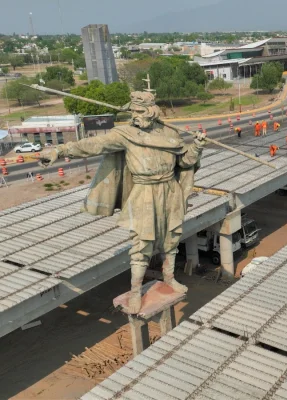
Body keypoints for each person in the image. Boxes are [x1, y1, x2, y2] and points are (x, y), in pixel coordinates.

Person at [39, 91, 204, 314]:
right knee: (141, 245)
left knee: (171, 238)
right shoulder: (125, 134)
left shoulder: (169, 133)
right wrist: (59, 150)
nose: (134, 115)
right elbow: (93, 144)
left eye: (138, 111)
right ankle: (136, 292)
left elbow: (184, 162)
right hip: (144, 192)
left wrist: (196, 147)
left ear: (151, 111)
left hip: (169, 190)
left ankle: (170, 278)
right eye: (132, 111)